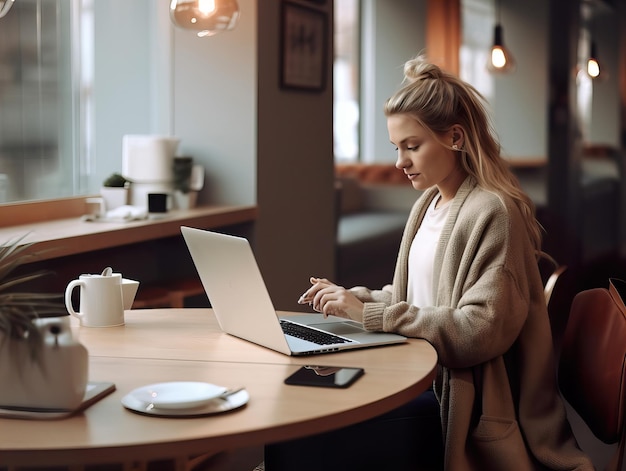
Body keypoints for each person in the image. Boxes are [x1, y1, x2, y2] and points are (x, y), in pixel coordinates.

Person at [264, 56, 594, 470]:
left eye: (412, 146)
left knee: (303, 435)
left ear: (455, 137)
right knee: (301, 407)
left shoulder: (493, 212)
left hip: (454, 400)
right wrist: (352, 299)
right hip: (416, 373)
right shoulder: (428, 204)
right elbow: (417, 298)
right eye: (395, 148)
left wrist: (371, 315)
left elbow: (478, 330)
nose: (400, 161)